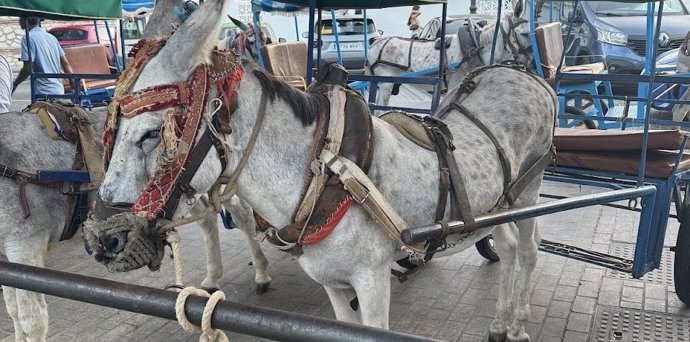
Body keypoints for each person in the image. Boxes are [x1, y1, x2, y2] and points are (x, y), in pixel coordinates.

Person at [13, 17, 73, 96]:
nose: (19, 20)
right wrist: (74, 86)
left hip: (43, 91)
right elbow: (66, 64)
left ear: (28, 20)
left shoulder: (27, 38)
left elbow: (27, 68)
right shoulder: (51, 38)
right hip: (58, 90)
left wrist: (15, 84)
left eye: (21, 18)